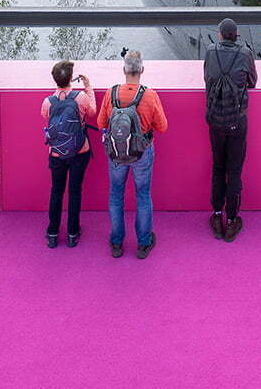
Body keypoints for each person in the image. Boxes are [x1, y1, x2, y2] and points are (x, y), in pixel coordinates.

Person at [96, 49, 168, 259]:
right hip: (142, 153)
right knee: (143, 196)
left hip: (116, 154)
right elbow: (163, 126)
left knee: (115, 195)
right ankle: (143, 243)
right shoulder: (150, 95)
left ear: (124, 69)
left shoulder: (111, 93)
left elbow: (101, 123)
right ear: (142, 70)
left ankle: (117, 243)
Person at [203, 17, 256, 242]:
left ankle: (216, 216)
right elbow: (252, 82)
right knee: (234, 170)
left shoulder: (210, 52)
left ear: (220, 35)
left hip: (215, 120)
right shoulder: (245, 54)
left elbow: (207, 79)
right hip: (237, 120)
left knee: (217, 167)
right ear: (236, 36)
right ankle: (232, 219)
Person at [41, 60, 97, 248]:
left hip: (56, 154)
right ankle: (73, 233)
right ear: (71, 79)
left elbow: (46, 117)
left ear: (55, 80)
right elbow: (92, 111)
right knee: (75, 192)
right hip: (79, 152)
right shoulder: (80, 98)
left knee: (56, 191)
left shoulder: (48, 102)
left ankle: (53, 233)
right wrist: (88, 87)